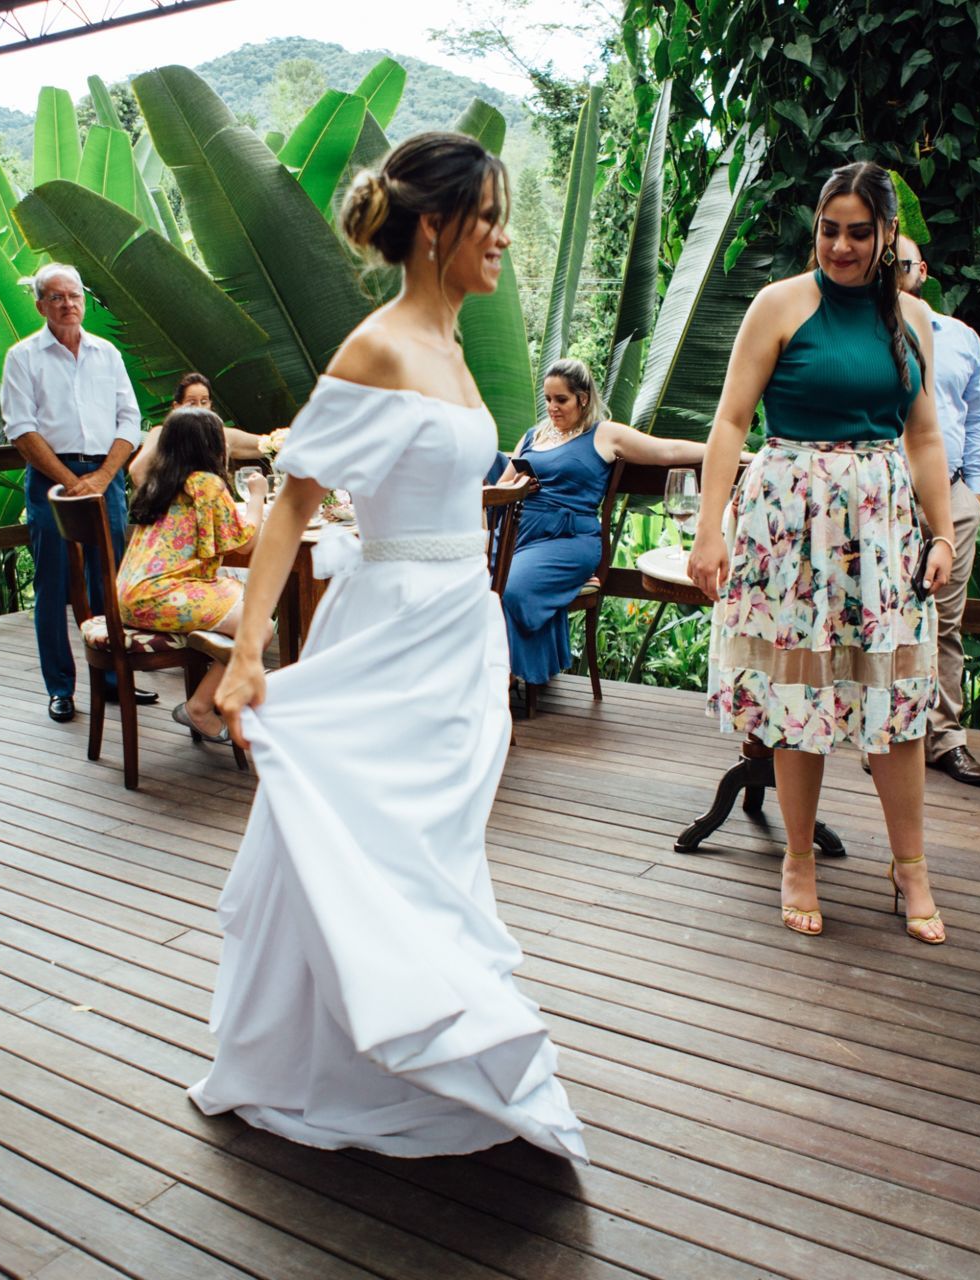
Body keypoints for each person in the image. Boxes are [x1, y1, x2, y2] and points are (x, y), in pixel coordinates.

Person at [189, 132, 587, 1162]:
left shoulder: (454, 346)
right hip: (396, 621)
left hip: (461, 625)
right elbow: (294, 504)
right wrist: (244, 655)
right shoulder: (377, 346)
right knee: (375, 835)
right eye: (487, 217)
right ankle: (346, 1051)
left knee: (435, 844)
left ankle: (420, 1034)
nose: (502, 235)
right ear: (433, 226)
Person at [688, 161, 953, 944]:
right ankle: (797, 859)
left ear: (887, 236)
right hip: (785, 521)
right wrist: (710, 530)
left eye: (858, 232)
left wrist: (940, 534)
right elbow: (731, 421)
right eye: (829, 230)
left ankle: (911, 867)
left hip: (881, 524)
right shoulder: (779, 305)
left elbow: (926, 433)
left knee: (899, 703)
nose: (841, 246)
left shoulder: (911, 318)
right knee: (797, 698)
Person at [492, 357, 708, 699]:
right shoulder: (534, 435)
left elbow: (667, 450)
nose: (552, 407)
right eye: (547, 399)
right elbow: (499, 489)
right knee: (474, 584)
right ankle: (496, 674)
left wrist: (732, 453)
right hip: (517, 534)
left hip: (567, 538)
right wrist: (517, 483)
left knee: (513, 589)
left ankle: (501, 680)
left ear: (583, 398)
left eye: (560, 400)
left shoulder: (604, 434)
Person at [2, 263, 146, 723]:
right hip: (51, 482)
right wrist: (68, 479)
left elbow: (130, 421)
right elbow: (21, 429)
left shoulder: (108, 354)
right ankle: (60, 687)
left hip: (106, 479)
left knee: (110, 581)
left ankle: (113, 678)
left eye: (75, 296)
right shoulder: (23, 357)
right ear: (41, 304)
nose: (68, 304)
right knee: (53, 583)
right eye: (58, 297)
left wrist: (103, 477)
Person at [890, 235, 980, 787]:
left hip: (950, 495)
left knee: (946, 622)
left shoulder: (960, 339)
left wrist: (973, 493)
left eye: (901, 262)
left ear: (922, 270)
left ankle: (945, 739)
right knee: (884, 618)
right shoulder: (862, 335)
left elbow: (979, 416)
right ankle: (886, 734)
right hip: (883, 499)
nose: (893, 269)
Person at [117, 406, 266, 743]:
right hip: (161, 596)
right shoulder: (206, 484)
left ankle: (222, 657)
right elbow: (246, 544)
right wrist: (258, 496)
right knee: (258, 624)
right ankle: (201, 706)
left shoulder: (160, 481)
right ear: (211, 446)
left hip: (131, 594)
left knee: (245, 599)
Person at [125, 372, 274, 491]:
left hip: (216, 512)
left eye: (204, 402)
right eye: (191, 403)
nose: (199, 408)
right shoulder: (160, 433)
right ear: (177, 406)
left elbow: (268, 444)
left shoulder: (222, 434)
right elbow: (137, 472)